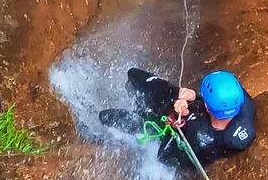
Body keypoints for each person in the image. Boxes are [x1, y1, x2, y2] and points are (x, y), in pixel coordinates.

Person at [99, 68, 256, 169]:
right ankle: (139, 101)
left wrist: (174, 123)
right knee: (133, 74)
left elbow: (164, 157)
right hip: (187, 107)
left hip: (167, 126)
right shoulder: (245, 106)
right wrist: (195, 95)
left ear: (208, 107)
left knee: (106, 116)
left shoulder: (201, 141)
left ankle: (140, 112)